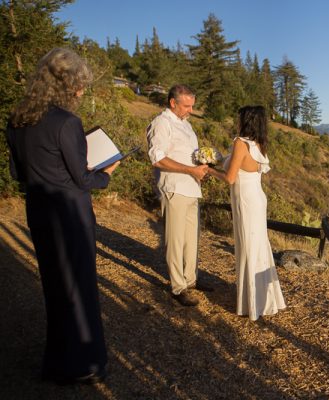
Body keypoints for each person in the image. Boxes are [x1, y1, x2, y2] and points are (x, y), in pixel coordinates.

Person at [5, 48, 119, 384]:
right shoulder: (68, 122)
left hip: (39, 213)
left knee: (55, 289)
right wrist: (107, 172)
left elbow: (18, 173)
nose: (82, 92)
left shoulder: (17, 119)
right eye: (80, 86)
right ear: (66, 85)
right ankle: (85, 363)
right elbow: (83, 179)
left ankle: (56, 360)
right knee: (80, 289)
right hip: (70, 216)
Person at [207, 105, 286, 321]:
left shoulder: (240, 143)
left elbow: (230, 178)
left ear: (246, 120)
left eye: (239, 117)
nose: (236, 121)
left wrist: (208, 170)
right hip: (257, 197)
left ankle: (252, 302)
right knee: (259, 245)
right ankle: (264, 298)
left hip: (246, 200)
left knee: (248, 247)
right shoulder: (259, 144)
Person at [147, 84, 212, 307]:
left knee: (191, 238)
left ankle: (191, 279)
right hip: (174, 187)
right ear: (173, 103)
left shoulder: (187, 125)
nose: (190, 110)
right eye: (186, 106)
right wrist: (189, 170)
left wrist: (203, 164)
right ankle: (178, 287)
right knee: (175, 240)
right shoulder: (161, 124)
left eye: (192, 106)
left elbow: (186, 155)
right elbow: (157, 158)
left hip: (192, 188)